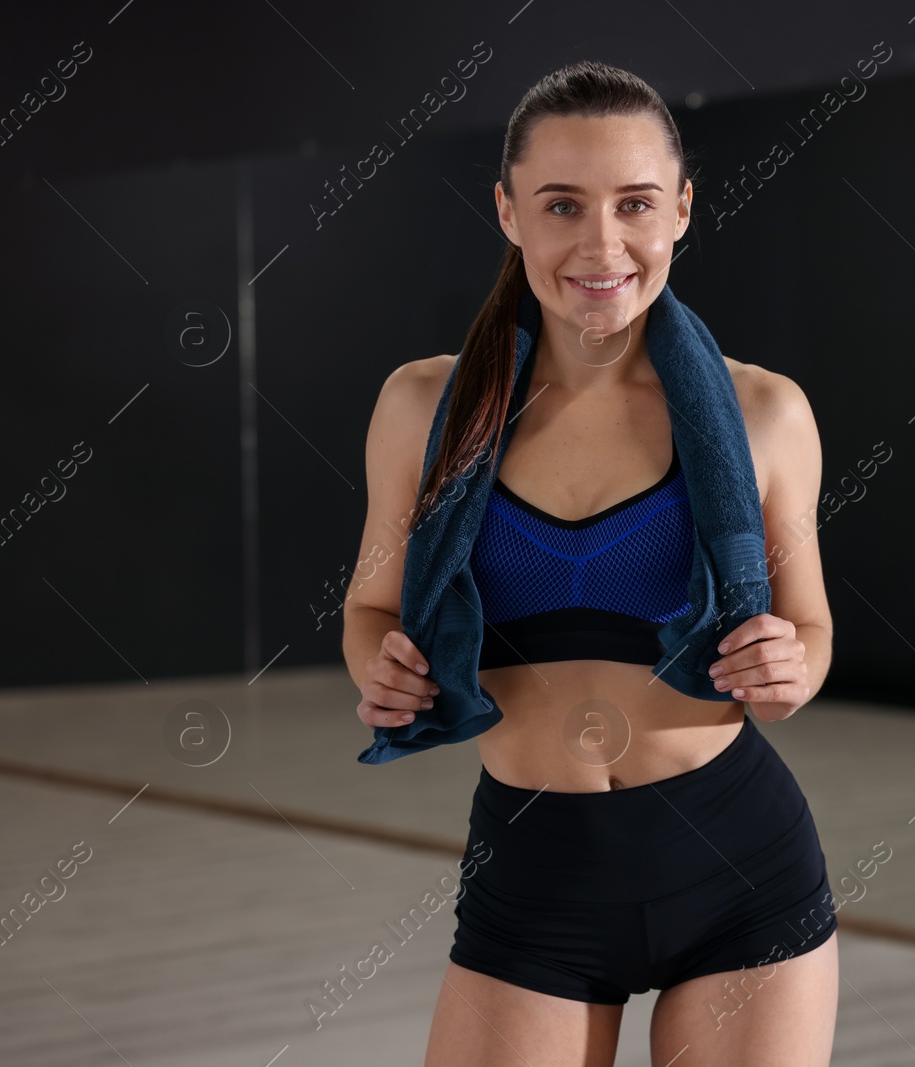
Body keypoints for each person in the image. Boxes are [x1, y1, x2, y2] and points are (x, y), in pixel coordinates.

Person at [340, 60, 839, 1067]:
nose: (602, 244)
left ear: (683, 211)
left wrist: (796, 665)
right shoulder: (422, 409)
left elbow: (811, 627)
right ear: (508, 211)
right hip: (534, 873)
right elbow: (371, 606)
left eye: (636, 205)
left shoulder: (764, 414)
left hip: (738, 865)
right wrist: (379, 668)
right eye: (562, 205)